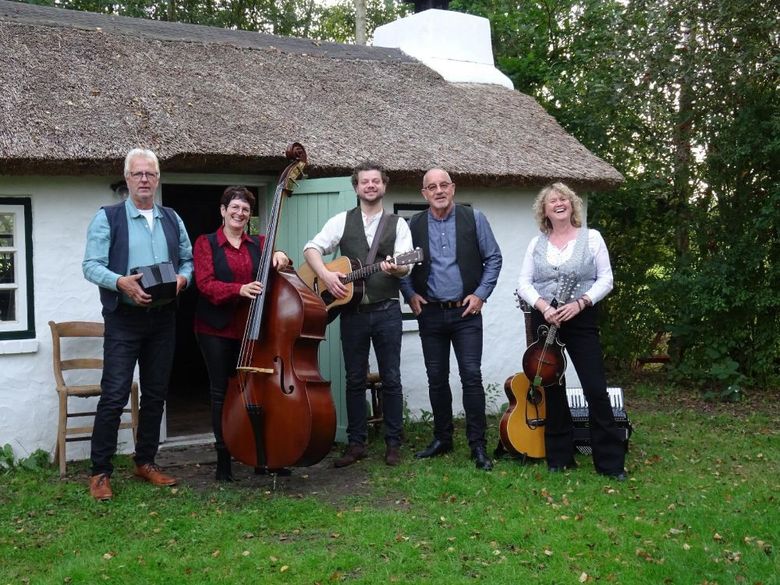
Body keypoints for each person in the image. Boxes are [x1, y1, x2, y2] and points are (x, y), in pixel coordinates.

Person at [82, 148, 194, 500]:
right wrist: (121, 282)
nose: (144, 179)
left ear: (157, 179)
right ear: (127, 179)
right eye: (137, 174)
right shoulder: (108, 217)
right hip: (124, 320)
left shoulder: (172, 218)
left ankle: (145, 461)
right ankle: (100, 472)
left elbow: (188, 260)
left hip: (163, 318)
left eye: (150, 174)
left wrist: (183, 279)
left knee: (156, 394)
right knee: (114, 394)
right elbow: (90, 265)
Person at [303, 161, 413, 467]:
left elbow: (406, 267)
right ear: (356, 187)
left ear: (384, 185)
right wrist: (326, 275)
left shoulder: (398, 225)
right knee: (353, 379)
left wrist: (397, 267)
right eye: (365, 181)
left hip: (387, 310)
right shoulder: (342, 220)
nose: (370, 186)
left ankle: (393, 443)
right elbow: (311, 248)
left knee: (391, 378)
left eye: (376, 181)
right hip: (352, 314)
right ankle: (356, 444)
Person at [516, 182, 627, 480]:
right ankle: (560, 457)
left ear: (572, 204)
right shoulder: (536, 244)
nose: (559, 203)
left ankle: (610, 463)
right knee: (552, 388)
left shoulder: (592, 238)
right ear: (544, 210)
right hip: (545, 319)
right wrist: (544, 306)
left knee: (594, 387)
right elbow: (524, 283)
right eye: (552, 200)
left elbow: (606, 279)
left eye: (564, 198)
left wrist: (581, 303)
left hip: (581, 317)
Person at [400, 168, 502, 471]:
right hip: (430, 313)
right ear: (424, 193)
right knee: (436, 377)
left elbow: (493, 258)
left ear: (453, 188)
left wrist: (480, 294)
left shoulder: (474, 218)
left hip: (466, 313)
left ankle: (477, 445)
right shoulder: (414, 225)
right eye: (432, 187)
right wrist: (410, 294)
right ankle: (442, 438)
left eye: (444, 185)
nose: (439, 191)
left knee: (471, 376)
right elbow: (401, 265)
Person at [193, 186, 290, 481]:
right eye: (234, 207)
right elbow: (205, 284)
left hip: (253, 330)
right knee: (222, 394)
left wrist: (282, 255)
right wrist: (239, 289)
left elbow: (279, 266)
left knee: (258, 392)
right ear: (223, 211)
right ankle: (224, 459)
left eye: (245, 209)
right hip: (216, 330)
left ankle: (262, 457)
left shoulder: (260, 243)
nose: (240, 213)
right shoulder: (206, 243)